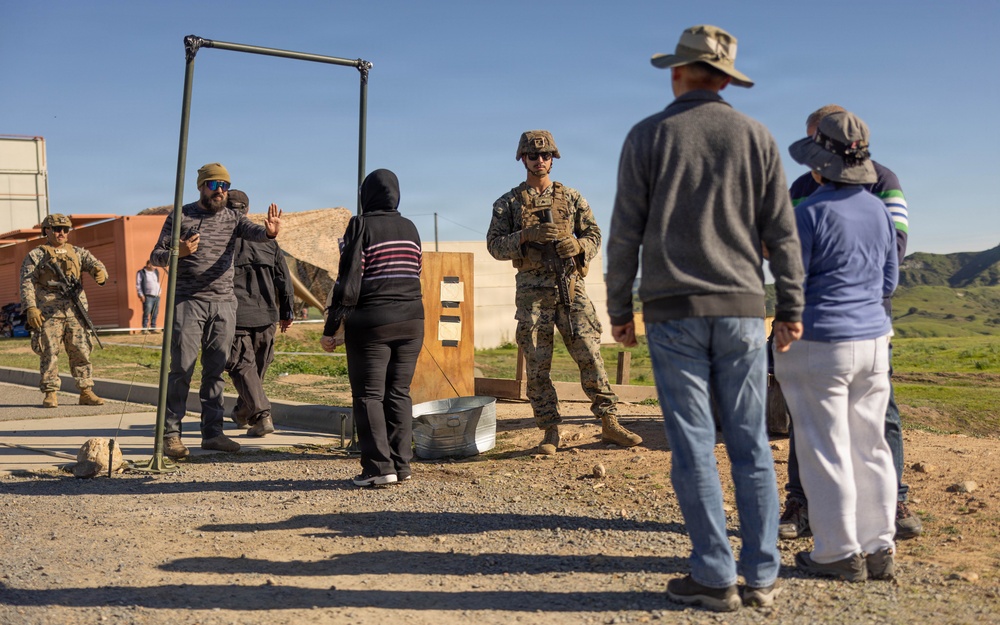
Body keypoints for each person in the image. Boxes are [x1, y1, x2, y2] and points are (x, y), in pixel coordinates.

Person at [606, 25, 805, 612]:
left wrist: (620, 307)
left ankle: (715, 575)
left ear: (677, 72)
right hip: (743, 310)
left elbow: (625, 233)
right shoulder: (756, 137)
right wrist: (790, 307)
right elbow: (782, 234)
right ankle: (762, 575)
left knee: (693, 445)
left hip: (672, 312)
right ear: (725, 78)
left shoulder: (648, 136)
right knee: (750, 443)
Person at [779, 104, 921, 540]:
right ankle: (807, 506)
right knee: (833, 425)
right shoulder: (802, 189)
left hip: (835, 323)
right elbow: (889, 266)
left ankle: (867, 523)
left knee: (853, 424)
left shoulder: (884, 182)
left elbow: (791, 267)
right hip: (866, 324)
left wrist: (841, 303)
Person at [486, 130, 642, 456]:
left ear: (553, 159)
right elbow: (495, 245)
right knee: (537, 364)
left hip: (570, 286)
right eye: (533, 156)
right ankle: (549, 431)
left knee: (590, 352)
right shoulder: (508, 204)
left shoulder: (571, 197)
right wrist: (526, 235)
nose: (540, 161)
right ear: (522, 159)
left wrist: (579, 244)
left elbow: (595, 234)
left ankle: (609, 421)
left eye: (545, 156)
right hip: (533, 295)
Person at [150, 163, 282, 459]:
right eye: (213, 185)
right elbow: (156, 255)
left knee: (215, 371)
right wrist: (178, 252)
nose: (220, 190)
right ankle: (171, 434)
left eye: (224, 185)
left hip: (224, 303)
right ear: (201, 187)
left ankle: (212, 433)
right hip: (188, 302)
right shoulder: (181, 216)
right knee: (181, 368)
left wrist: (270, 233)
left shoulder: (234, 218)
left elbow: (255, 233)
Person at [320, 169, 423, 487]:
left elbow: (348, 281)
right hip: (412, 321)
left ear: (366, 195)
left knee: (368, 395)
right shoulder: (411, 228)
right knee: (399, 393)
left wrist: (331, 326)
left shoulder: (360, 225)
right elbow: (417, 269)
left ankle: (379, 468)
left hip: (372, 323)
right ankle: (401, 465)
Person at [19, 213, 109, 408]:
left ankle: (85, 390)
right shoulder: (37, 255)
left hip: (75, 310)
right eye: (57, 229)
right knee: (49, 351)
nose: (61, 233)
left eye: (65, 229)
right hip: (49, 311)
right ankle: (50, 392)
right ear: (47, 231)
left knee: (81, 350)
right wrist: (31, 307)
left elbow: (96, 265)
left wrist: (99, 273)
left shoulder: (77, 252)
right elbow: (27, 281)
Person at [224, 189, 294, 438]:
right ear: (247, 210)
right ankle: (244, 412)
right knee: (254, 369)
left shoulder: (221, 240)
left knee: (244, 368)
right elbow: (283, 279)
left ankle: (260, 415)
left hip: (236, 317)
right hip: (267, 317)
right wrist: (287, 311)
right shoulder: (267, 239)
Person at [135, 259, 162, 333]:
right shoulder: (142, 272)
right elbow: (138, 285)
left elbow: (157, 282)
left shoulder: (156, 272)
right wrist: (141, 295)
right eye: (153, 265)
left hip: (156, 296)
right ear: (148, 265)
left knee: (155, 313)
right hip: (147, 296)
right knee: (147, 312)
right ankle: (144, 329)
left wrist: (160, 291)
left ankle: (153, 328)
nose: (154, 267)